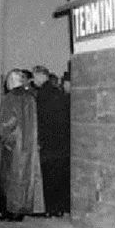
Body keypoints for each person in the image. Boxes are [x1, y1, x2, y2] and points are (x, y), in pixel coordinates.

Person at [0, 69, 45, 222]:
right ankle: (21, 209)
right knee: (24, 178)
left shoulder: (10, 98)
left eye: (8, 80)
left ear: (12, 81)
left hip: (12, 144)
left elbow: (6, 122)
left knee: (9, 178)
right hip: (28, 143)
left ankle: (11, 211)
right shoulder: (30, 97)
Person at [32, 65, 70, 217]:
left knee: (48, 177)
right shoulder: (57, 93)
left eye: (35, 77)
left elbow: (41, 119)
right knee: (59, 176)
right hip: (61, 142)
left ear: (41, 76)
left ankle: (50, 208)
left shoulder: (42, 94)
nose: (34, 80)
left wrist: (39, 139)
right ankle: (59, 208)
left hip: (48, 142)